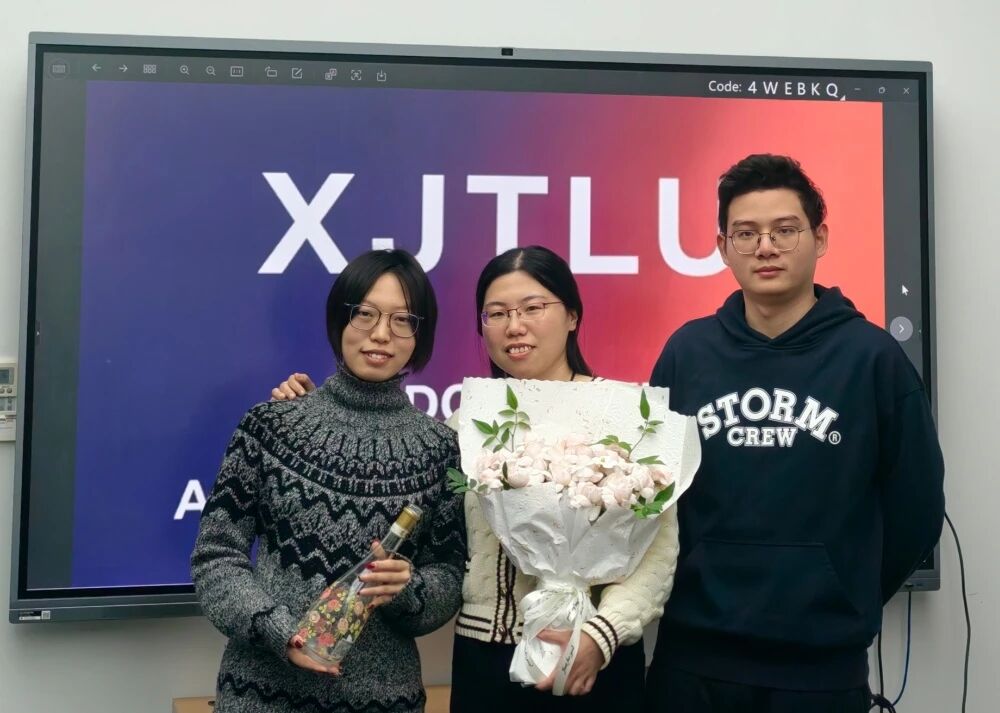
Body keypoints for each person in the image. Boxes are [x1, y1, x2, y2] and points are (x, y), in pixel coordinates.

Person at [272, 246, 680, 713]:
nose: (514, 326)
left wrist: (601, 634)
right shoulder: (464, 426)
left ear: (572, 315)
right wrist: (309, 416)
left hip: (594, 658)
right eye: (497, 313)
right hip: (485, 659)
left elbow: (659, 553)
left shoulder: (630, 415)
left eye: (532, 308)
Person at [643, 154, 945, 712]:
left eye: (785, 230)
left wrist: (842, 589)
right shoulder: (687, 353)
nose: (766, 247)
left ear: (819, 238)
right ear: (722, 247)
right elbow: (650, 496)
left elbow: (918, 507)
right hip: (692, 661)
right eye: (746, 234)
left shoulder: (872, 358)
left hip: (821, 673)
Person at [191, 249, 466, 713]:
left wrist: (407, 590)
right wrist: (280, 632)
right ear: (340, 319)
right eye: (365, 314)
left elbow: (448, 575)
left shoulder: (439, 449)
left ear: (421, 335)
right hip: (261, 695)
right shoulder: (271, 425)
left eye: (402, 320)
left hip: (383, 700)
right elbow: (216, 556)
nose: (381, 334)